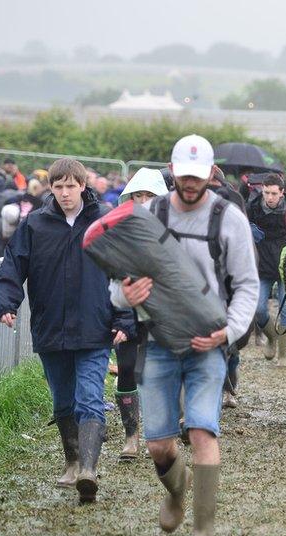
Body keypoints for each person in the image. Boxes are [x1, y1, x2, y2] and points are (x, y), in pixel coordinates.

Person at [116, 135, 258, 536]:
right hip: (158, 340)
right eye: (183, 175)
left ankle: (203, 530)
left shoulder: (228, 218)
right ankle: (177, 492)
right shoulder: (150, 214)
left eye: (198, 176)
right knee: (159, 445)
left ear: (211, 173)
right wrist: (125, 295)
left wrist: (229, 331)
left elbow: (247, 285)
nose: (191, 183)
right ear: (172, 171)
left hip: (207, 343)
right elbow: (119, 278)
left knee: (201, 432)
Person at [0, 158, 134, 504]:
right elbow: (14, 265)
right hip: (50, 324)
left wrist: (124, 319)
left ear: (83, 186)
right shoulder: (35, 225)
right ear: (50, 189)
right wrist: (6, 303)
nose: (66, 193)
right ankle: (72, 462)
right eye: (59, 187)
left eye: (72, 186)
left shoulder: (104, 222)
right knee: (63, 400)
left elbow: (125, 272)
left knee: (89, 398)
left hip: (95, 326)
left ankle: (88, 469)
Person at [107, 168, 170, 461]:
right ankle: (131, 437)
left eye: (150, 195)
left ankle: (158, 434)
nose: (144, 200)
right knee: (128, 369)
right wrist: (118, 320)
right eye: (139, 195)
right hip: (128, 315)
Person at [246, 173, 286, 361]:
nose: (269, 197)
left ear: (282, 193)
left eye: (273, 193)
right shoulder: (252, 208)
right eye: (266, 192)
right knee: (258, 308)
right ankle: (271, 337)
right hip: (261, 266)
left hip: (284, 267)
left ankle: (283, 354)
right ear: (262, 190)